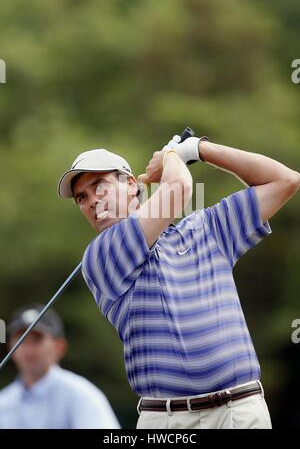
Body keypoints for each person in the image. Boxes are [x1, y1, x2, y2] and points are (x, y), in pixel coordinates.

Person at [58, 135, 300, 429]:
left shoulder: (205, 228)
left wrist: (199, 148)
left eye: (99, 186)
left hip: (239, 411)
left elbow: (284, 181)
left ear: (132, 185)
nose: (91, 201)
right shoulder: (102, 254)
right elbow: (179, 187)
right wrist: (174, 154)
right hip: (167, 421)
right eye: (81, 197)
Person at [0, 304, 120, 429]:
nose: (29, 349)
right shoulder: (3, 402)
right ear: (10, 348)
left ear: (59, 347)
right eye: (21, 340)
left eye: (37, 340)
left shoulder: (82, 395)